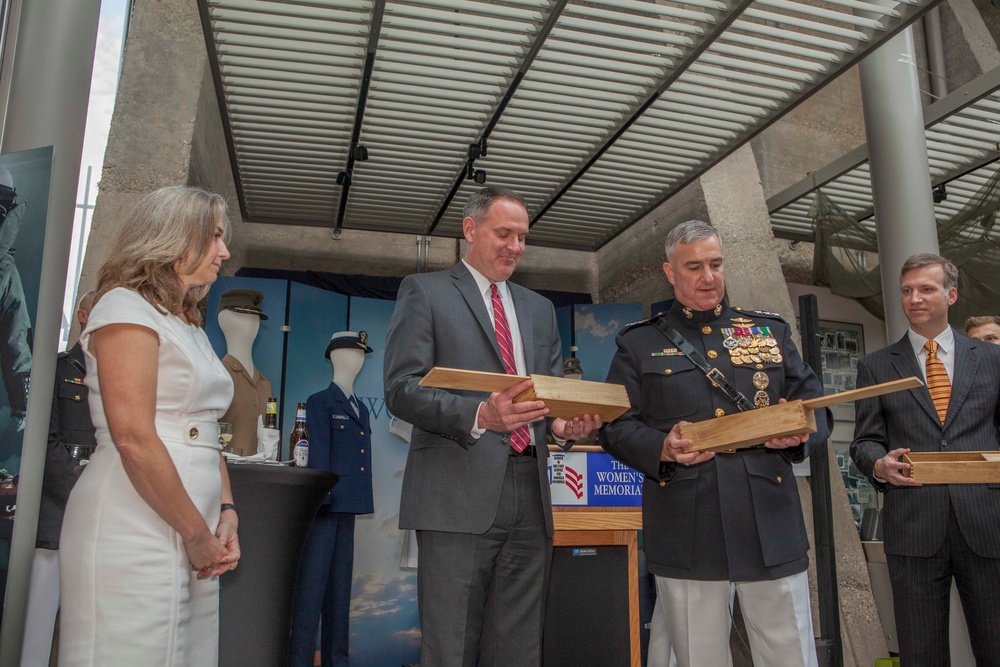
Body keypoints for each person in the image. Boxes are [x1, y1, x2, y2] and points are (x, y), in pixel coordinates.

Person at [383, 185, 599, 666]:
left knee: (520, 650)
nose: (515, 247)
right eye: (504, 233)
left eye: (522, 237)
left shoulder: (540, 309)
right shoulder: (425, 292)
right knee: (451, 648)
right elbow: (400, 389)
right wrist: (480, 415)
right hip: (454, 497)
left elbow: (547, 397)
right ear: (470, 229)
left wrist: (564, 427)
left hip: (531, 493)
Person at [601, 220, 831, 667]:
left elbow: (817, 405)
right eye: (694, 267)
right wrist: (662, 448)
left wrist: (799, 431)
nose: (708, 277)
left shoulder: (769, 332)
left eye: (716, 264)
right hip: (689, 525)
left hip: (769, 519)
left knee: (790, 655)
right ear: (670, 273)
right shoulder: (639, 343)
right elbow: (615, 425)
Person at [59, 186, 240, 666]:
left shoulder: (189, 324)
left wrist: (225, 510)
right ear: (175, 238)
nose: (224, 251)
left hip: (191, 519)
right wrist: (196, 535)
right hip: (133, 518)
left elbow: (203, 427)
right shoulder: (123, 308)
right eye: (216, 237)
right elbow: (134, 439)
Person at [850, 253, 1000, 666]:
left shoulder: (992, 360)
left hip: (987, 523)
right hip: (914, 527)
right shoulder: (876, 366)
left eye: (926, 289)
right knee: (920, 653)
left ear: (951, 295)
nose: (914, 298)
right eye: (907, 290)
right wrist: (879, 465)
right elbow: (864, 441)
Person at [19, 291, 96, 666]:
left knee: (87, 638)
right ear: (82, 316)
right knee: (35, 631)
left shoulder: (120, 376)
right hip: (55, 515)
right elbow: (43, 447)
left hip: (100, 525)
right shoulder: (56, 368)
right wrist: (88, 490)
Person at [289, 331, 375, 667]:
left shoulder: (362, 409)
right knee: (311, 594)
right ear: (336, 356)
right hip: (325, 509)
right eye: (353, 353)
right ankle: (298, 661)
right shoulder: (319, 402)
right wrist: (319, 502)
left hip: (349, 506)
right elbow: (317, 460)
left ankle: (337, 661)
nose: (359, 360)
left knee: (340, 595)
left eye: (362, 355)